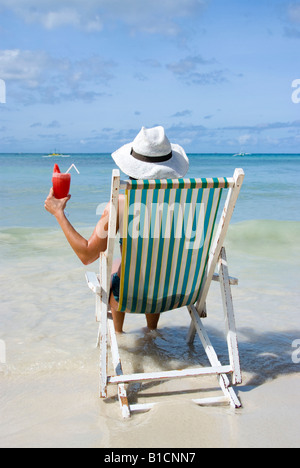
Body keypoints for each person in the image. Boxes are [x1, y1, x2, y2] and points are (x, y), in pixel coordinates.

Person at [45, 126, 189, 333]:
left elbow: (86, 254)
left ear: (132, 169)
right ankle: (152, 333)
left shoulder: (121, 204)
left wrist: (59, 213)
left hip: (129, 295)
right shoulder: (186, 202)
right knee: (152, 263)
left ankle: (119, 335)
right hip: (171, 289)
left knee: (118, 270)